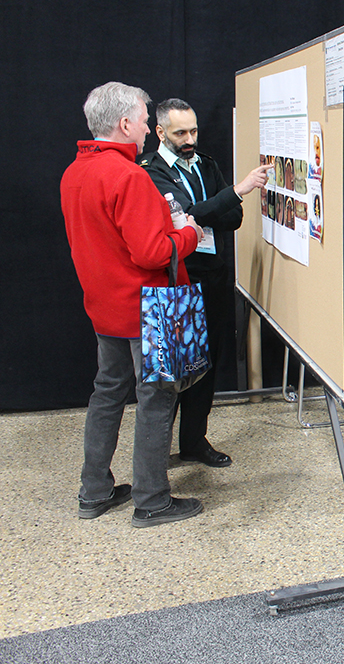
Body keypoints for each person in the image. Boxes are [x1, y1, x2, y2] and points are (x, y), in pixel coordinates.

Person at [61, 82, 205, 528]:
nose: (147, 129)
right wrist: (190, 234)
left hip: (105, 308)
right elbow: (152, 253)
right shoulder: (127, 176)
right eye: (144, 120)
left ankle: (95, 491)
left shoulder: (74, 172)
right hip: (146, 310)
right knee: (157, 399)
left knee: (107, 393)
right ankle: (152, 499)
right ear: (125, 124)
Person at [140, 99, 271, 467]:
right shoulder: (151, 171)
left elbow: (234, 217)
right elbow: (188, 216)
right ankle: (155, 452)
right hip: (178, 278)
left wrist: (205, 211)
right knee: (174, 368)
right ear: (161, 132)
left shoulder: (206, 164)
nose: (189, 139)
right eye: (181, 132)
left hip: (214, 276)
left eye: (194, 130)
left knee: (207, 362)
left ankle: (194, 440)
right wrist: (232, 193)